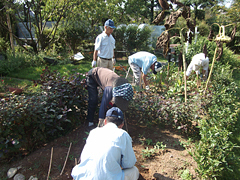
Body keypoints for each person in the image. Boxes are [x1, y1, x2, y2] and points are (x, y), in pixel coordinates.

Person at [71, 107, 139, 180]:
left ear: (105, 121)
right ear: (122, 125)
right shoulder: (122, 134)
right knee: (134, 171)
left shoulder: (93, 132)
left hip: (81, 177)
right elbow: (129, 164)